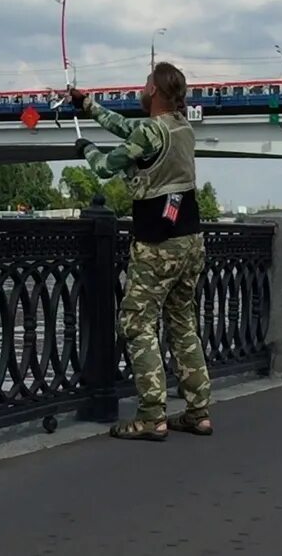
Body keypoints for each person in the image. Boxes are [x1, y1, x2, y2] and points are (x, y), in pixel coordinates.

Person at [68, 62, 211, 441]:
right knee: (183, 323)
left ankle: (151, 416)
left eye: (146, 83)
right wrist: (89, 107)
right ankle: (198, 411)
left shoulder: (152, 130)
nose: (141, 87)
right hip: (191, 238)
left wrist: (87, 148)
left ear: (156, 91)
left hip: (157, 242)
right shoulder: (182, 129)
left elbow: (104, 167)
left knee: (137, 322)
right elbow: (132, 130)